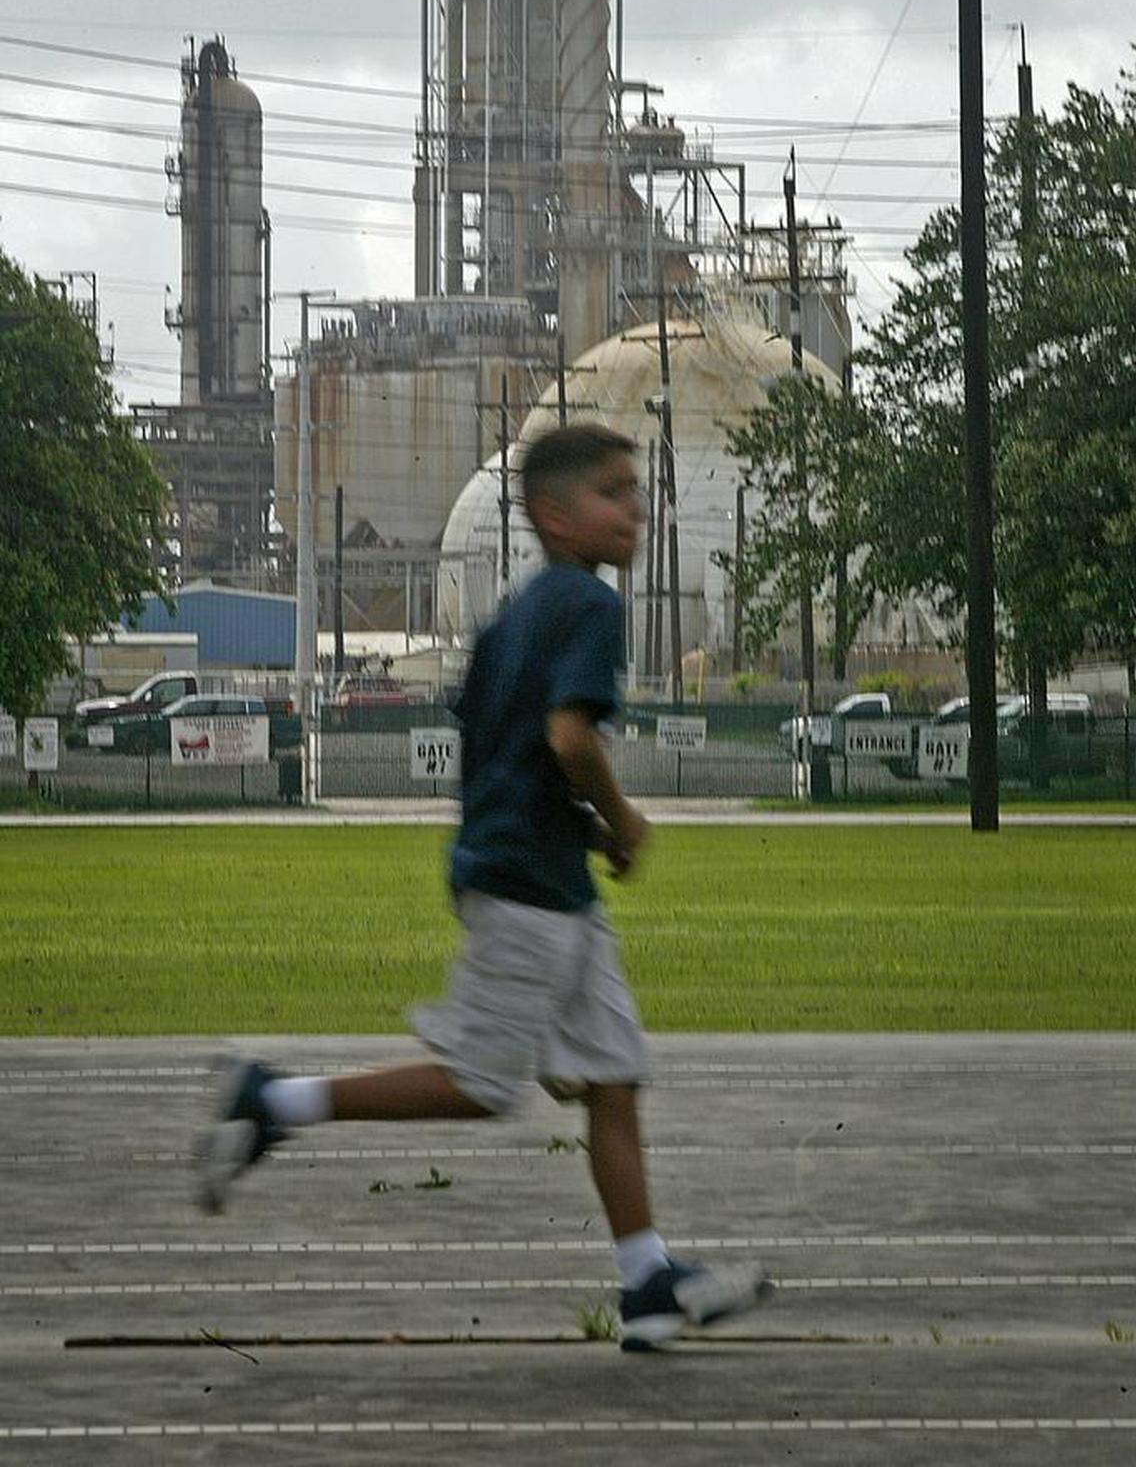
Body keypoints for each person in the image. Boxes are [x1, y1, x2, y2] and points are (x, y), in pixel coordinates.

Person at [195, 422, 773, 1351]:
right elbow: (570, 741)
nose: (634, 508)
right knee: (480, 1084)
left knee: (613, 1077)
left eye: (636, 491)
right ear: (555, 514)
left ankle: (649, 1284)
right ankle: (273, 1100)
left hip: (545, 879)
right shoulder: (589, 606)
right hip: (530, 892)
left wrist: (579, 828)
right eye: (613, 492)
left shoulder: (514, 615)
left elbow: (503, 751)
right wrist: (623, 824)